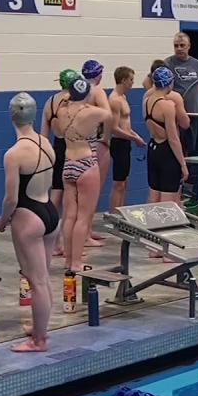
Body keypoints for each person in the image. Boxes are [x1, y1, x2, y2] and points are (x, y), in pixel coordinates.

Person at [0, 93, 60, 353]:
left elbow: (11, 198)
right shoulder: (46, 142)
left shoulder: (14, 154)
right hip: (50, 212)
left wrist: (2, 219)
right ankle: (39, 328)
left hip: (28, 216)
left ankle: (39, 341)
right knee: (43, 278)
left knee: (37, 281)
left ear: (11, 115)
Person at [61, 77, 113, 271]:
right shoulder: (92, 113)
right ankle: (76, 262)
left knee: (69, 216)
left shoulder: (61, 111)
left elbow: (58, 133)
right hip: (86, 165)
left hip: (68, 165)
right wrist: (98, 94)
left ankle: (68, 260)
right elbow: (108, 115)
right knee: (83, 217)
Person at [41, 68, 78, 257]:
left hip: (55, 148)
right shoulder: (72, 101)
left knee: (55, 196)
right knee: (71, 200)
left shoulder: (50, 102)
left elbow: (43, 134)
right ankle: (71, 245)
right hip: (72, 148)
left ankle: (53, 242)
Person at [81, 60, 115, 245]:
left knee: (80, 194)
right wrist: (106, 138)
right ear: (98, 75)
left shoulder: (78, 91)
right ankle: (85, 234)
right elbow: (108, 116)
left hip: (79, 143)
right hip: (96, 143)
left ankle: (87, 230)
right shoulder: (97, 91)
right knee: (93, 190)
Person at [143, 67, 188, 203]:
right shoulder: (167, 106)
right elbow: (173, 139)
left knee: (153, 194)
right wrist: (183, 164)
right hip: (167, 151)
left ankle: (151, 224)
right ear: (170, 83)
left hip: (153, 148)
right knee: (168, 199)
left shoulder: (146, 101)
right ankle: (165, 224)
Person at [108, 66, 147, 211]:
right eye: (131, 80)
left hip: (125, 142)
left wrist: (136, 136)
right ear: (123, 80)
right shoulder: (114, 100)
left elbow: (125, 125)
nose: (132, 83)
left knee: (124, 182)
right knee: (118, 183)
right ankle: (113, 213)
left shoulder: (123, 97)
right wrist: (134, 139)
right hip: (118, 143)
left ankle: (120, 211)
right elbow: (114, 128)